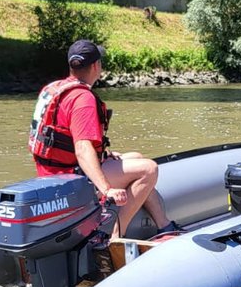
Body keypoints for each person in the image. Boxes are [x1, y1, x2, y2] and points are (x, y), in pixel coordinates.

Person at [28, 40, 177, 259]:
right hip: (70, 179)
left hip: (53, 174)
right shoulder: (83, 99)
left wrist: (104, 156)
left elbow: (64, 141)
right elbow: (81, 148)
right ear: (96, 66)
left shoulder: (54, 89)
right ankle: (113, 236)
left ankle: (164, 226)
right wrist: (106, 189)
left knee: (134, 157)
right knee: (148, 169)